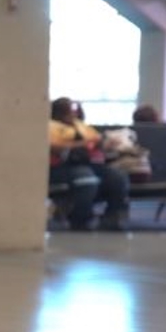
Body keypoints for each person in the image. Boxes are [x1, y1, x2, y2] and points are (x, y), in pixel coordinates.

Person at [48, 95, 128, 231]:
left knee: (117, 177)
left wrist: (107, 143)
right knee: (87, 179)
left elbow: (97, 141)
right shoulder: (50, 127)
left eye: (74, 110)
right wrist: (82, 144)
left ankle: (112, 217)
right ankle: (79, 219)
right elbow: (54, 147)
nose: (74, 113)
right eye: (70, 110)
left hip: (88, 163)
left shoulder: (80, 126)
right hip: (61, 166)